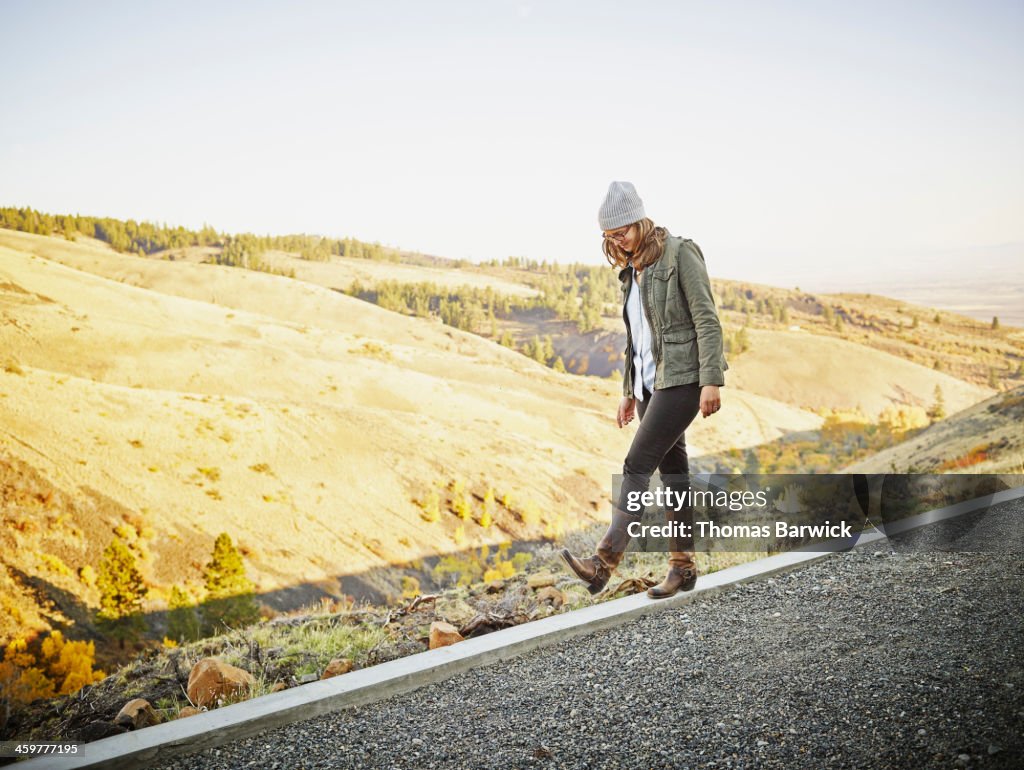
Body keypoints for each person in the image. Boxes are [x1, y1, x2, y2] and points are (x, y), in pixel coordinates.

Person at [560, 181, 729, 599]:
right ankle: (683, 567)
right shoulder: (630, 271)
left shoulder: (680, 252)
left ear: (639, 220)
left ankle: (603, 563)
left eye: (622, 232)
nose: (617, 240)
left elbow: (706, 319)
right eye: (609, 236)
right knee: (674, 476)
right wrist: (629, 389)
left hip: (684, 378)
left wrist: (711, 379)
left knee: (637, 464)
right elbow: (637, 337)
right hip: (651, 384)